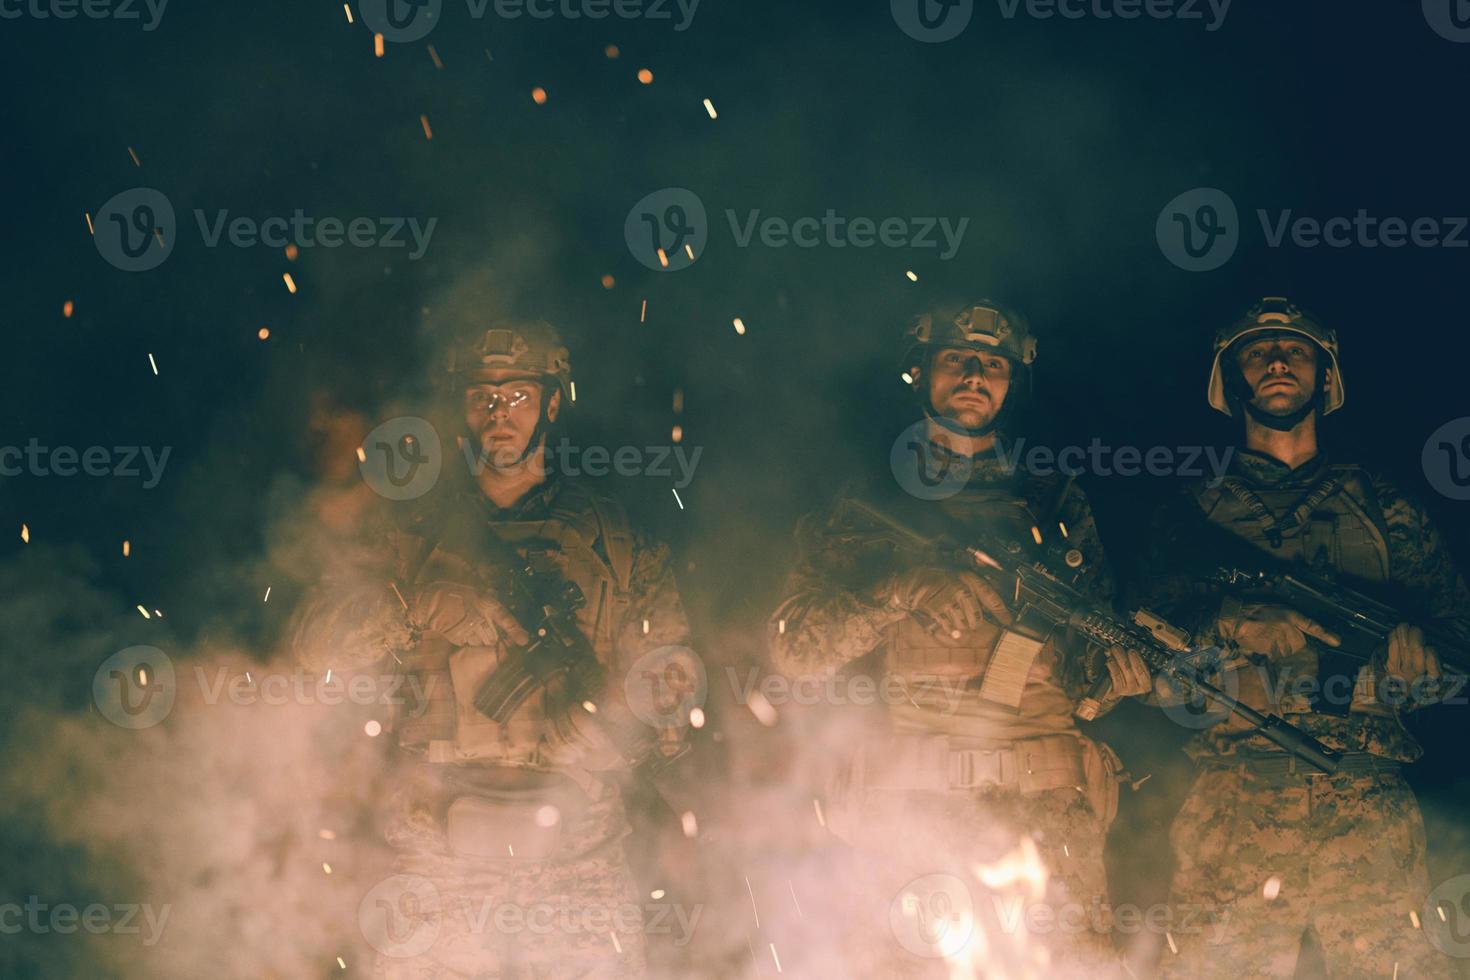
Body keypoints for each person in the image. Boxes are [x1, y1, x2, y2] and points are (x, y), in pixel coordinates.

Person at [291, 320, 694, 978]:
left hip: (578, 860)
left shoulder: (614, 541)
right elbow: (314, 648)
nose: (497, 415)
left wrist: (607, 722)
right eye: (482, 396)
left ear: (552, 403)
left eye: (517, 397)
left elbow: (673, 688)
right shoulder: (405, 535)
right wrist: (414, 604)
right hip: (435, 855)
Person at [769, 301, 1150, 976]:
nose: (976, 375)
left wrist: (1118, 678)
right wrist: (900, 591)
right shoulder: (867, 507)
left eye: (994, 365)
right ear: (920, 372)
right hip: (914, 816)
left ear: (1012, 384)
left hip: (1047, 814)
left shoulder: (1053, 502)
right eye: (957, 359)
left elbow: (1089, 666)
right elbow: (795, 650)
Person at [1139, 296, 1470, 977]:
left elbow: (1455, 641)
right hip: (1235, 801)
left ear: (1325, 377)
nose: (1279, 362)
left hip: (1367, 806)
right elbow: (1139, 662)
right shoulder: (1192, 514)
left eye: (1297, 352)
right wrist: (1229, 620)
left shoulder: (1384, 506)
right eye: (1258, 353)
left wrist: (1419, 670)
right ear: (1233, 381)